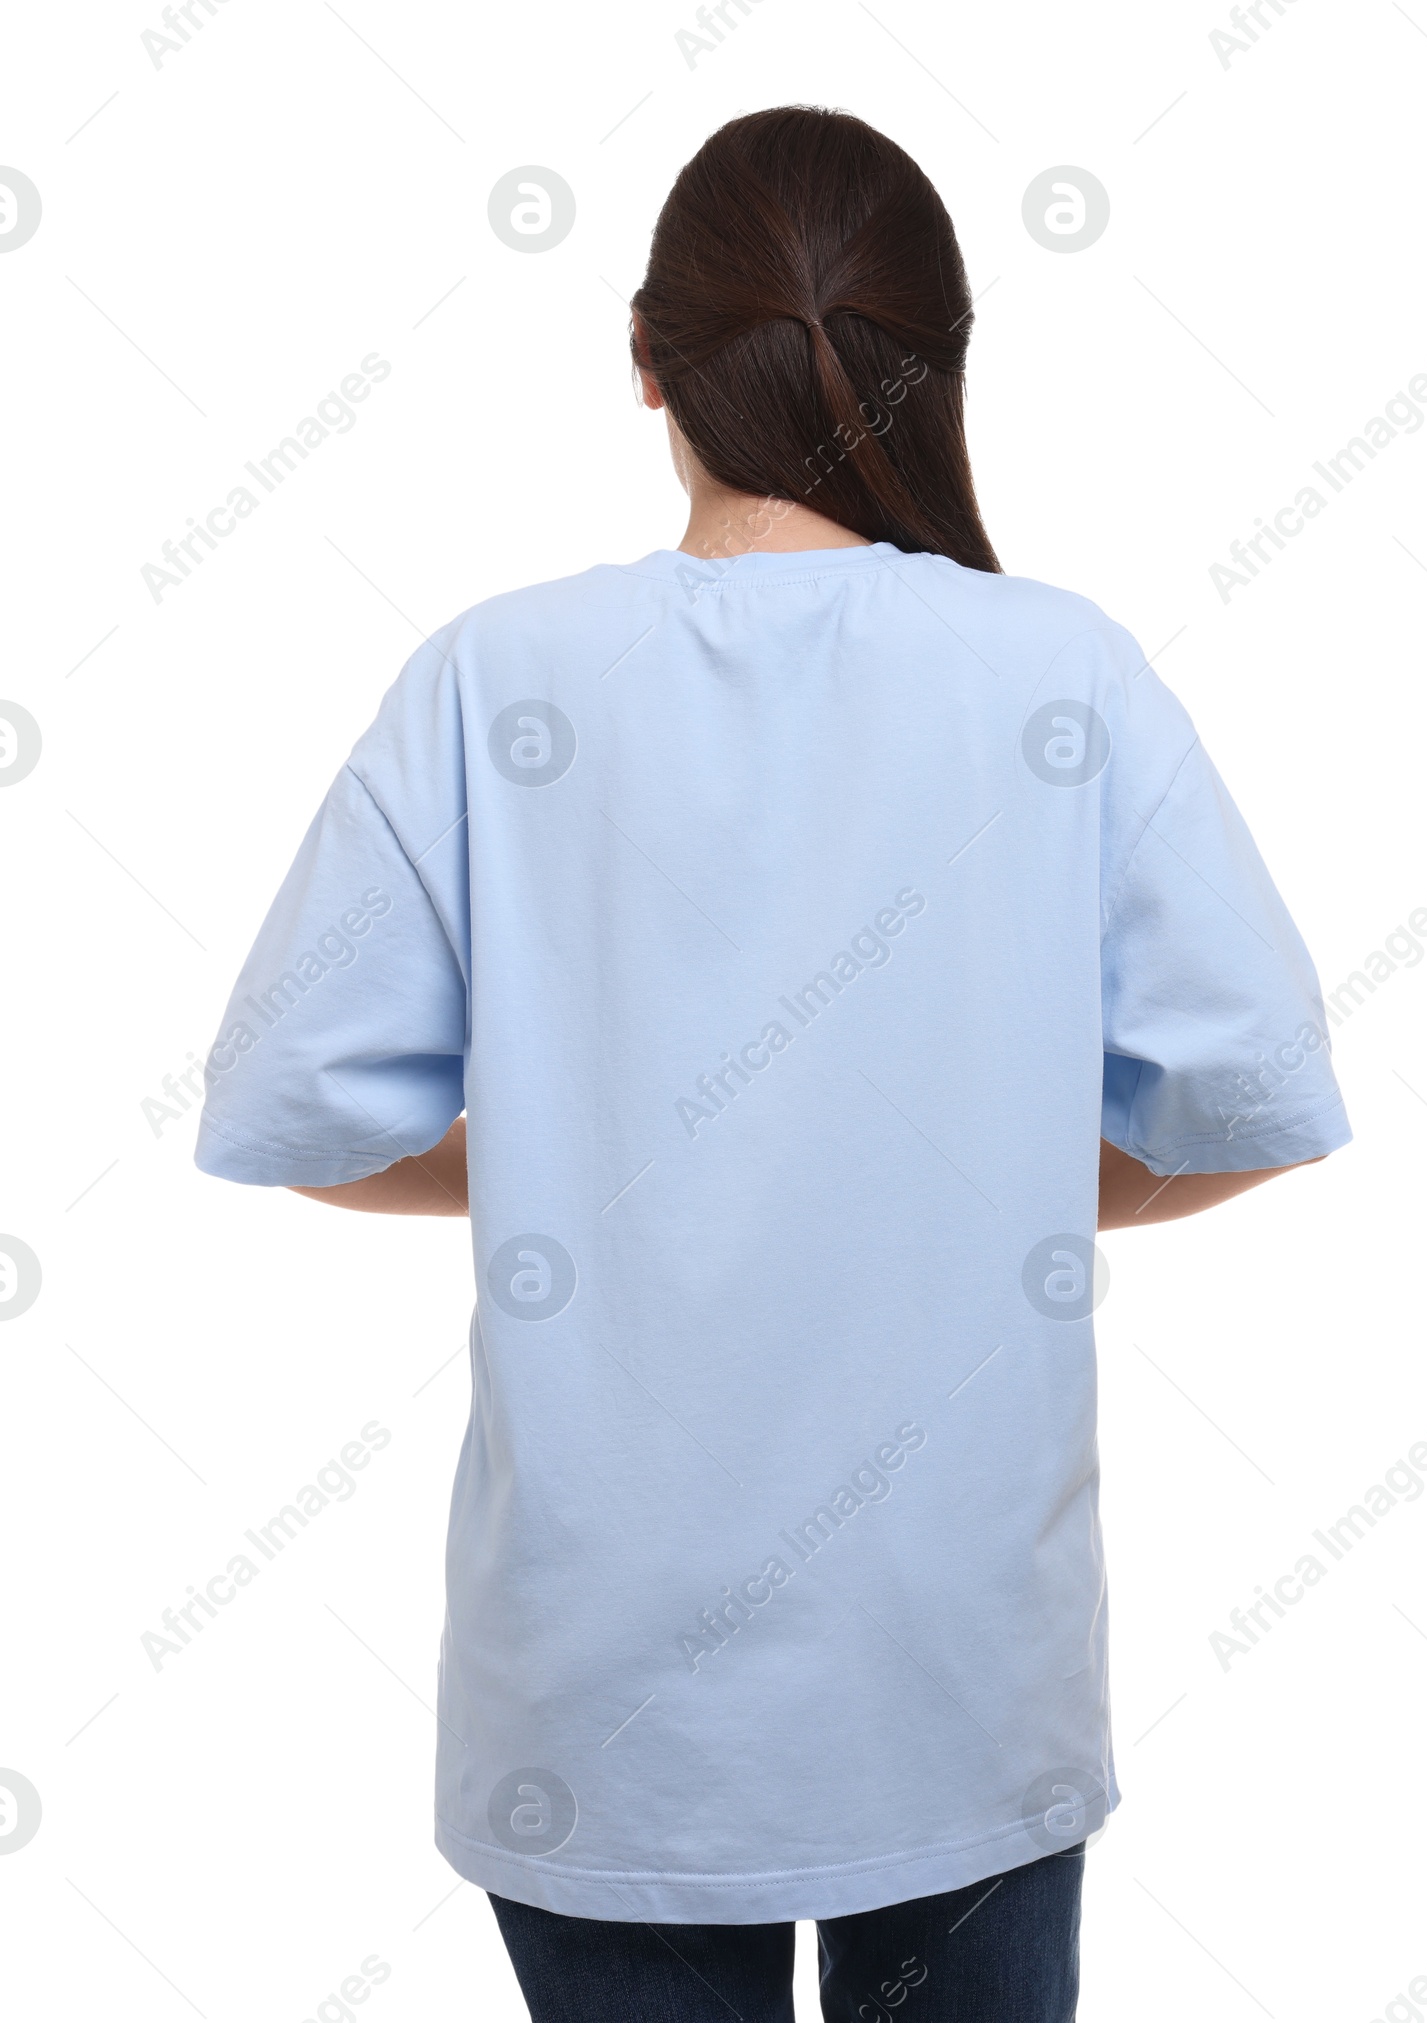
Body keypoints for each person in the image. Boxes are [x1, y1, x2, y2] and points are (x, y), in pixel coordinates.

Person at [196, 105, 1350, 2023]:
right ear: (941, 366)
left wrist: (589, 1151)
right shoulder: (1061, 677)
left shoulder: (494, 682)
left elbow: (294, 1111)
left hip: (597, 1700)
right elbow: (1257, 1104)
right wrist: (965, 1163)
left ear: (642, 358)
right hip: (959, 1674)